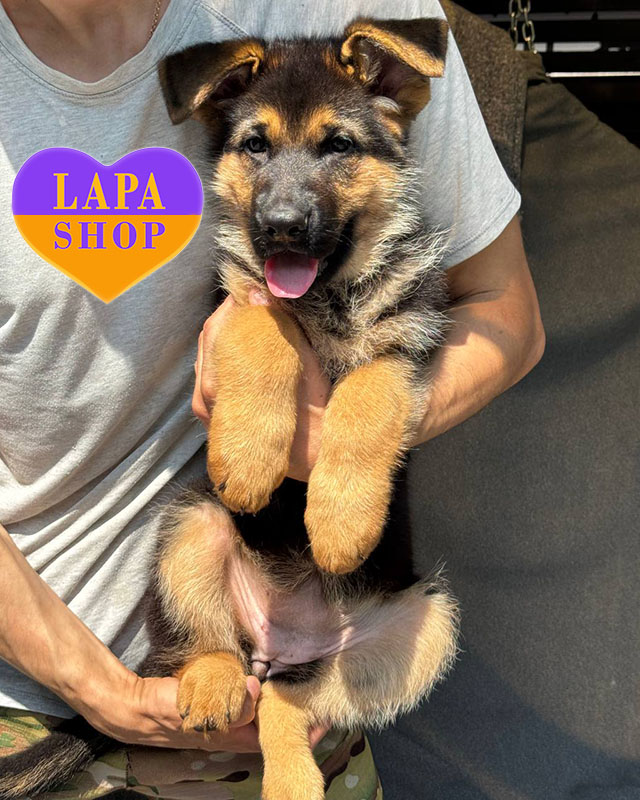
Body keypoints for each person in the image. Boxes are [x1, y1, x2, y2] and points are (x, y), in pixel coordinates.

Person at [0, 0, 544, 796]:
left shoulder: (343, 11)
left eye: (334, 147)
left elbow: (505, 313)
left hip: (310, 687)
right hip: (39, 692)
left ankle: (290, 708)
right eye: (256, 146)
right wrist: (104, 693)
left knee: (430, 625)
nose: (285, 205)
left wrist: (348, 442)